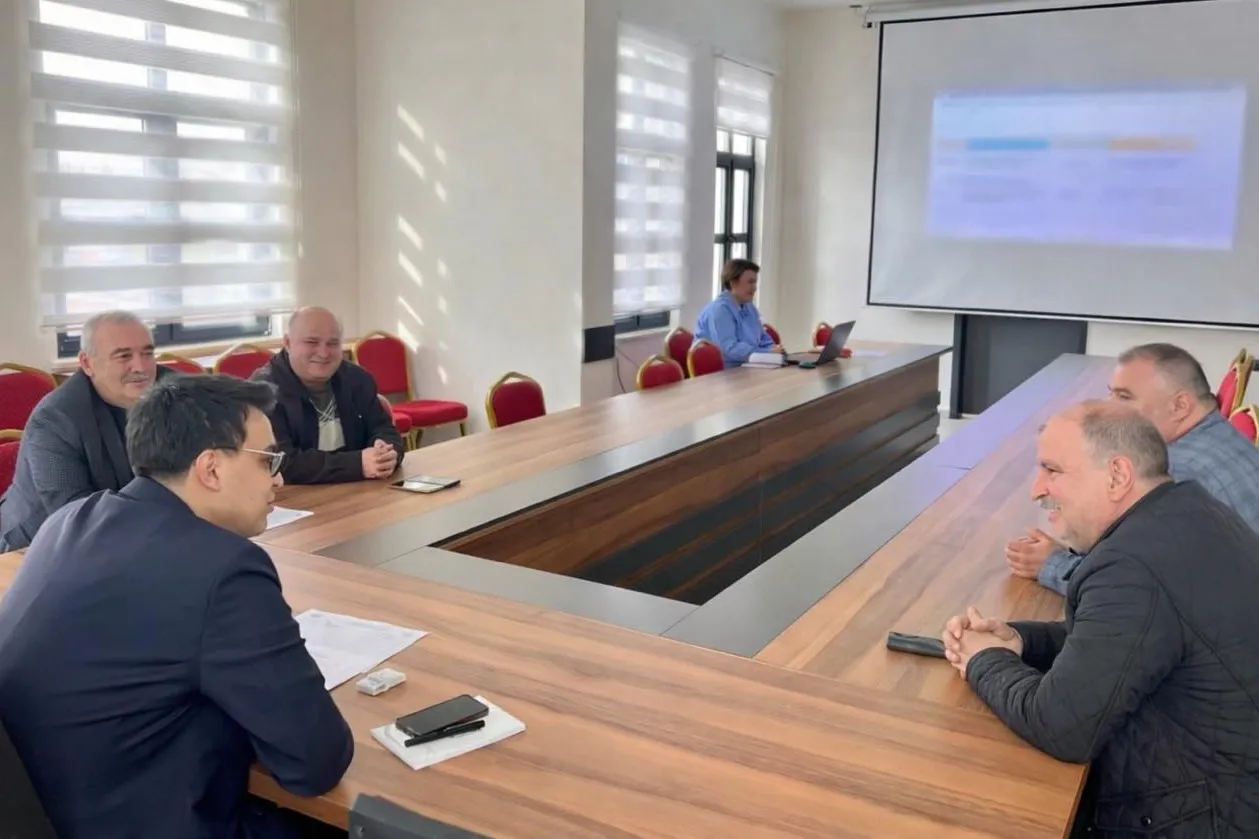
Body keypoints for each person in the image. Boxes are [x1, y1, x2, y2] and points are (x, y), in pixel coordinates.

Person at [0, 374, 354, 839]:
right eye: (268, 460)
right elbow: (315, 762)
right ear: (211, 469)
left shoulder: (70, 521)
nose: (279, 478)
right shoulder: (223, 569)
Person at [944, 401, 1259, 839]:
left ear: (1117, 476)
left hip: (1200, 817)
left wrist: (983, 659)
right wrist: (1020, 641)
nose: (1036, 489)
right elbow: (1131, 641)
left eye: (1052, 470)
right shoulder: (1189, 508)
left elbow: (1061, 726)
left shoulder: (1131, 564)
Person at [1005, 342, 1259, 594]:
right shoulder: (1222, 434)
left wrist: (1053, 564)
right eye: (1111, 394)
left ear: (1180, 406)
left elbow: (1134, 584)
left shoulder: (1173, 477)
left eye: (1124, 397)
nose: (1110, 407)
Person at [0, 310, 173, 550]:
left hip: (142, 531)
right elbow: (76, 515)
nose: (141, 367)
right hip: (38, 545)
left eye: (147, 353)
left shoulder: (176, 391)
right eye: (123, 356)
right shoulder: (55, 419)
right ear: (87, 363)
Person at [253, 307, 404, 484]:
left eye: (332, 343)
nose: (324, 353)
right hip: (295, 495)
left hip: (360, 488)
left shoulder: (358, 380)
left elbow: (384, 429)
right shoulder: (263, 392)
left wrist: (386, 454)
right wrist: (357, 464)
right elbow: (280, 462)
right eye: (312, 342)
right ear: (287, 343)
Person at [695, 259, 783, 368]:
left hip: (748, 367)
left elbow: (761, 336)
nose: (754, 288)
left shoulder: (749, 306)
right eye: (750, 282)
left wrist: (773, 348)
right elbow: (730, 349)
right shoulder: (719, 310)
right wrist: (766, 352)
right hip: (723, 373)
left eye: (755, 282)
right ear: (733, 283)